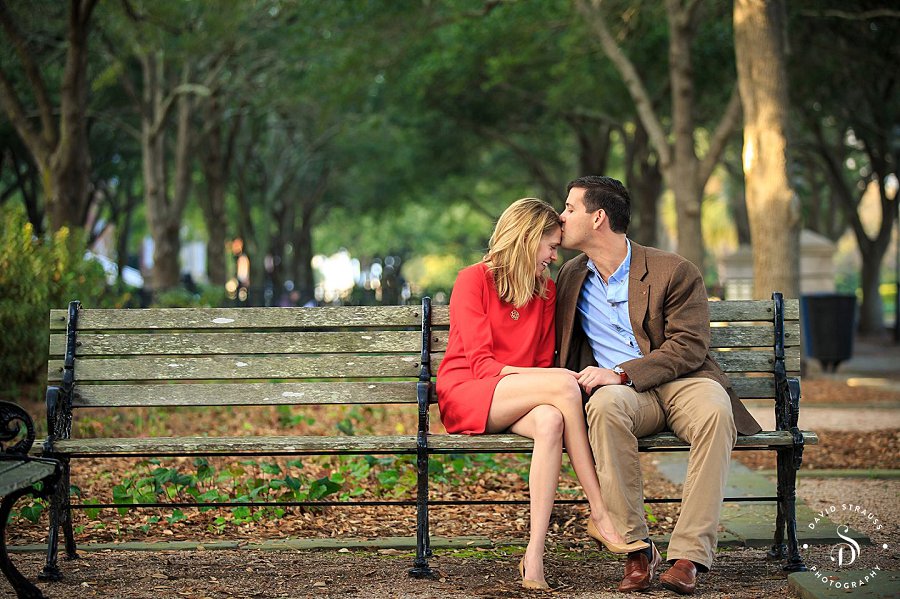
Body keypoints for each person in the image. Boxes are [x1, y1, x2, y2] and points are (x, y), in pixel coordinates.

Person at [555, 176, 763, 595]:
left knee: (716, 412)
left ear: (598, 218)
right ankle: (636, 549)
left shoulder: (674, 269)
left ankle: (689, 555)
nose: (561, 217)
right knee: (604, 407)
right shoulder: (570, 277)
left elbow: (689, 345)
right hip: (626, 396)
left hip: (684, 381)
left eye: (570, 208)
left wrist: (621, 372)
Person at [436, 197, 648, 590]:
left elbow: (540, 364)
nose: (553, 256)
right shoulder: (474, 280)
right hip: (468, 390)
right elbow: (481, 366)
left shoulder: (546, 292)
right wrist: (553, 380)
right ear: (526, 238)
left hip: (520, 396)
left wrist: (548, 381)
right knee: (564, 384)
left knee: (551, 419)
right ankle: (600, 511)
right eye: (550, 246)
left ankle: (534, 556)